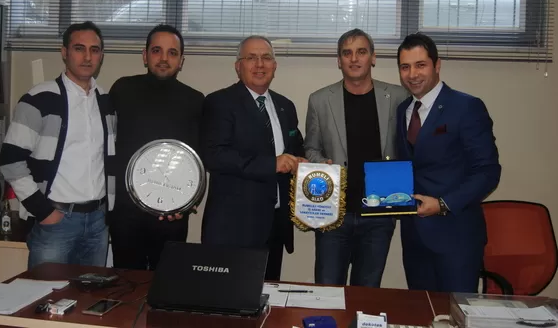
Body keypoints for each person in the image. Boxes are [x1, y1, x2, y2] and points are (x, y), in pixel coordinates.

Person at [0, 21, 115, 269]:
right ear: (64, 52)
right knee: (46, 292)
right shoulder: (39, 98)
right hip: (56, 222)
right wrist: (43, 211)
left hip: (98, 223)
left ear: (101, 56)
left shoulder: (106, 102)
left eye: (94, 50)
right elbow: (10, 160)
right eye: (79, 48)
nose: (87, 57)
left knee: (90, 294)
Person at [396, 33, 501, 292]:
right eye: (405, 67)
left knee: (456, 311)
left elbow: (487, 172)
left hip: (456, 238)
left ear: (437, 65)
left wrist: (443, 204)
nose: (412, 74)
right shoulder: (403, 110)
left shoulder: (466, 107)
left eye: (420, 65)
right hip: (414, 238)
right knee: (420, 310)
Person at [304, 28, 409, 287]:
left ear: (373, 57)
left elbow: (409, 149)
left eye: (361, 52)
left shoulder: (399, 97)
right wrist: (321, 163)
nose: (354, 59)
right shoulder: (319, 100)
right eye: (347, 53)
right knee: (328, 290)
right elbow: (311, 148)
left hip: (379, 215)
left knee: (367, 293)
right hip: (333, 216)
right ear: (338, 60)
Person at [200, 35, 305, 281]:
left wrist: (308, 165)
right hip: (234, 229)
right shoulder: (219, 102)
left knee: (269, 295)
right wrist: (272, 164)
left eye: (266, 58)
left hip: (275, 227)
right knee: (230, 298)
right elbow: (215, 155)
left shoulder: (285, 106)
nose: (260, 64)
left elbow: (296, 148)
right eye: (251, 58)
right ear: (238, 66)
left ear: (274, 66)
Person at [108, 24, 204, 270]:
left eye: (172, 53)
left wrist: (188, 203)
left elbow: (198, 159)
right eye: (156, 51)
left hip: (172, 214)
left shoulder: (195, 100)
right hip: (125, 213)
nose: (164, 58)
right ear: (145, 55)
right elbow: (104, 143)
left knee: (167, 282)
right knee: (126, 282)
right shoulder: (122, 90)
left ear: (181, 61)